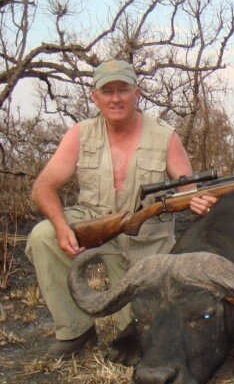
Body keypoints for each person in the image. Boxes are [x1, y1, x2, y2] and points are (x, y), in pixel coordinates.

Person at [25, 60, 217, 359]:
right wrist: (63, 228)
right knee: (43, 236)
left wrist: (197, 200)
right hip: (93, 219)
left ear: (137, 94)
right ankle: (75, 331)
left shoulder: (165, 136)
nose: (116, 98)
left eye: (123, 90)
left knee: (136, 332)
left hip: (145, 239)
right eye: (108, 91)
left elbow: (188, 188)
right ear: (95, 97)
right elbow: (43, 187)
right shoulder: (80, 133)